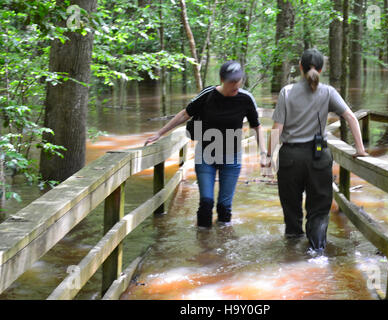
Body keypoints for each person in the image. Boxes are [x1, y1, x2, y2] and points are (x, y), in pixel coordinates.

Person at [265, 48, 369, 254]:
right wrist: (360, 149)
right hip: (318, 157)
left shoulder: (287, 92)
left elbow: (277, 129)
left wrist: (268, 158)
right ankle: (317, 252)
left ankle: (292, 254)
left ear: (300, 67)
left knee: (291, 210)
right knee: (319, 211)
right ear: (322, 69)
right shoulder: (328, 92)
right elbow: (350, 117)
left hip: (290, 159)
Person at [145, 61, 268, 228]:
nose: (235, 84)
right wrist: (159, 133)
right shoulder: (208, 94)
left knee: (224, 206)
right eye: (231, 81)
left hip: (231, 157)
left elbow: (257, 127)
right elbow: (184, 114)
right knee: (206, 202)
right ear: (222, 79)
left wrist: (263, 153)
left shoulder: (246, 99)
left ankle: (222, 246)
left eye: (238, 80)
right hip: (206, 154)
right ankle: (203, 247)